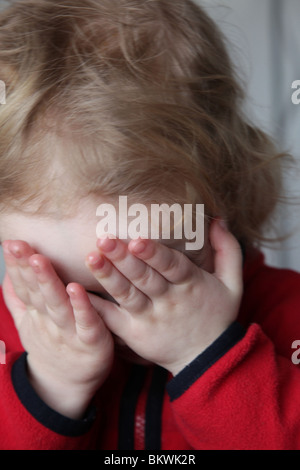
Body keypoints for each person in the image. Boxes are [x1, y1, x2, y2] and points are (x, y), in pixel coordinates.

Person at [0, 0, 299, 450]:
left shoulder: (288, 315)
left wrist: (206, 355)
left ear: (226, 193)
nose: (108, 323)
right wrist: (50, 387)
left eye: (141, 280)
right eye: (60, 288)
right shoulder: (23, 328)